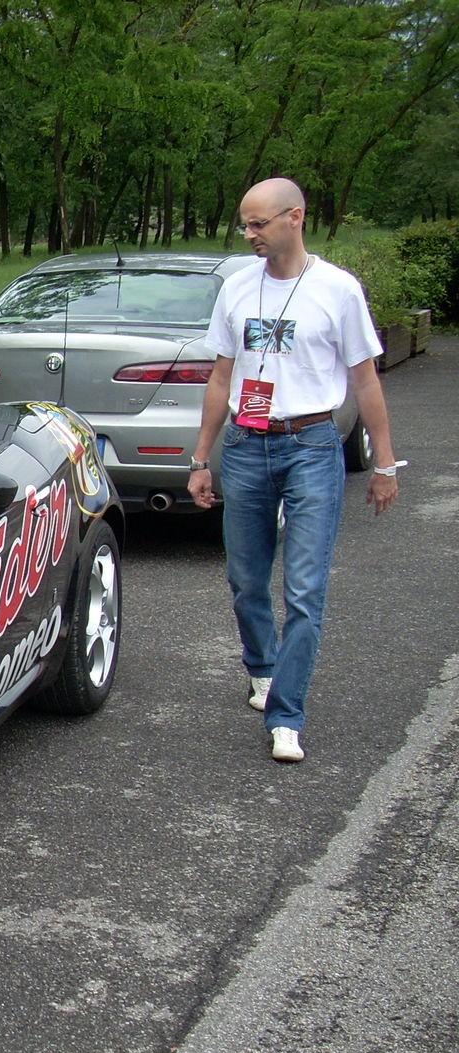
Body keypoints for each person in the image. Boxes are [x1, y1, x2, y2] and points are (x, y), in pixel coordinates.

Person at [187, 177, 400, 764]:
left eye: (259, 224)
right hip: (247, 444)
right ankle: (262, 668)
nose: (249, 235)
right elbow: (222, 379)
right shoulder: (235, 288)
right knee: (246, 579)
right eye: (244, 224)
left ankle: (287, 715)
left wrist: (384, 462)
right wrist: (201, 458)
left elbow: (365, 381)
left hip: (310, 443)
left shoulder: (336, 290)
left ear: (295, 218)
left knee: (305, 588)